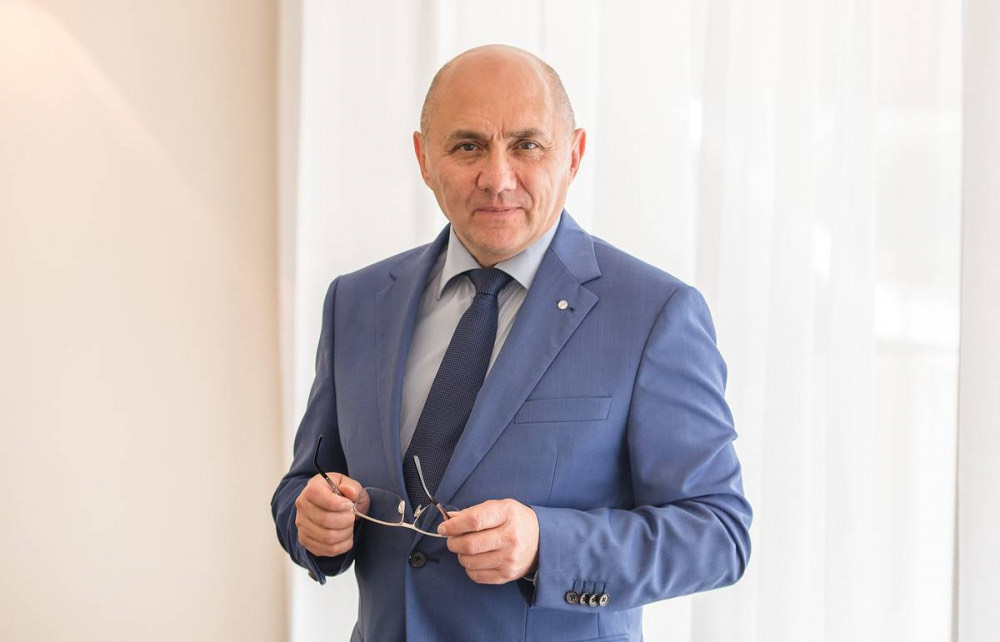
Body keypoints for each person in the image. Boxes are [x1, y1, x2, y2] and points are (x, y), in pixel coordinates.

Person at [271, 44, 752, 642]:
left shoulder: (655, 313)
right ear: (424, 159)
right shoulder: (356, 301)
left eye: (527, 145)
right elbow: (304, 483)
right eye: (467, 146)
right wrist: (311, 521)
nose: (498, 179)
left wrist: (547, 545)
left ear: (573, 155)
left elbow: (718, 533)